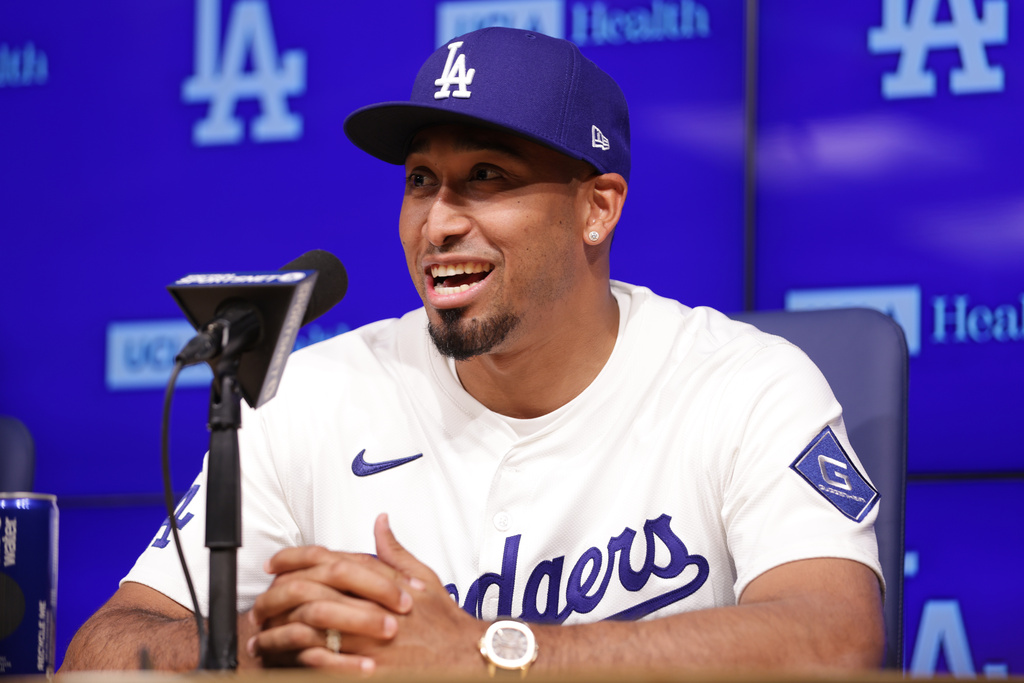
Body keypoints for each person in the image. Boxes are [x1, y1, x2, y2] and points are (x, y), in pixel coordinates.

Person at [63, 27, 884, 674]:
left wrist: (485, 653)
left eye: (486, 176)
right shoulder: (309, 396)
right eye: (422, 179)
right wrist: (260, 641)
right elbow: (98, 652)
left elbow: (835, 638)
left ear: (598, 208)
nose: (438, 221)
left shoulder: (744, 383)